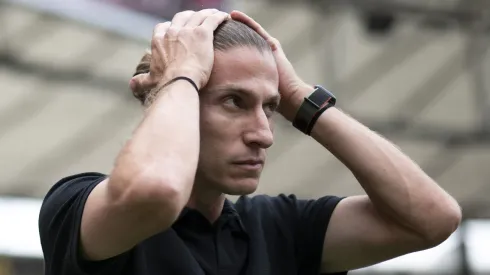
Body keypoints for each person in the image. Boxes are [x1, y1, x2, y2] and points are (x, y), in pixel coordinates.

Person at [38, 9, 462, 275]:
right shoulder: (77, 205)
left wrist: (300, 98)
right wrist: (181, 75)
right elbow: (156, 190)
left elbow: (432, 218)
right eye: (234, 101)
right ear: (167, 97)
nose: (263, 133)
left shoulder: (278, 229)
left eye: (270, 107)